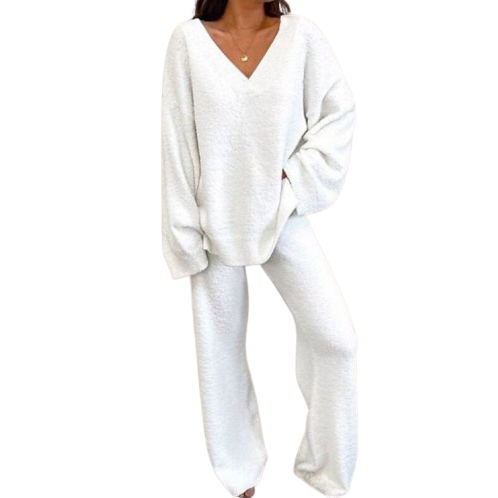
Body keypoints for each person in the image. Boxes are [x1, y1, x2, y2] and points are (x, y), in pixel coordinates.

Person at [160, 1, 358, 497]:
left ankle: (324, 466)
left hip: (281, 213)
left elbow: (339, 112)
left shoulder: (303, 36)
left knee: (337, 339)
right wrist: (184, 235)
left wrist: (296, 179)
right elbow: (176, 143)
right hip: (212, 219)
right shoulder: (187, 41)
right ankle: (239, 468)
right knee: (220, 352)